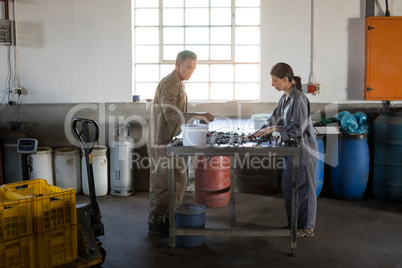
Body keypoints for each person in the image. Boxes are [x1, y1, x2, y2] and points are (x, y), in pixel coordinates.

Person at [147, 50, 214, 236]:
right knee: (161, 185)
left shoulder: (179, 83)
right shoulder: (170, 83)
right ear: (178, 64)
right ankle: (155, 222)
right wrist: (196, 116)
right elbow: (169, 113)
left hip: (172, 142)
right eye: (188, 67)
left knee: (180, 178)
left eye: (194, 68)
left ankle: (171, 216)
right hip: (160, 142)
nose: (191, 71)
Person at [250, 62, 318, 237]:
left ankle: (307, 227)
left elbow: (297, 129)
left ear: (286, 79)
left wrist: (274, 129)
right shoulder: (285, 98)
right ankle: (293, 224)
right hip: (290, 151)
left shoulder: (299, 99)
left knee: (304, 190)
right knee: (288, 186)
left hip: (303, 151)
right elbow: (274, 118)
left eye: (274, 81)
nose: (272, 84)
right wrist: (258, 132)